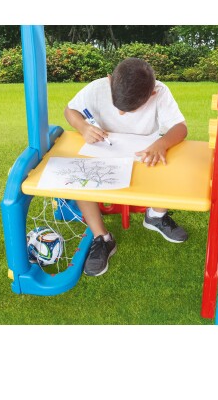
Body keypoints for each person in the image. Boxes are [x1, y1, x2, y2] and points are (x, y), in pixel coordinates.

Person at [64, 57, 188, 277]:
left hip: (144, 151)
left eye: (129, 110)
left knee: (168, 165)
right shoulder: (97, 87)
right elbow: (70, 111)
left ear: (152, 94)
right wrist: (83, 126)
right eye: (117, 107)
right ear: (110, 80)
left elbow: (180, 127)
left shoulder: (160, 91)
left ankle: (156, 215)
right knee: (82, 175)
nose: (121, 114)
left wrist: (162, 143)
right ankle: (101, 237)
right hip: (103, 149)